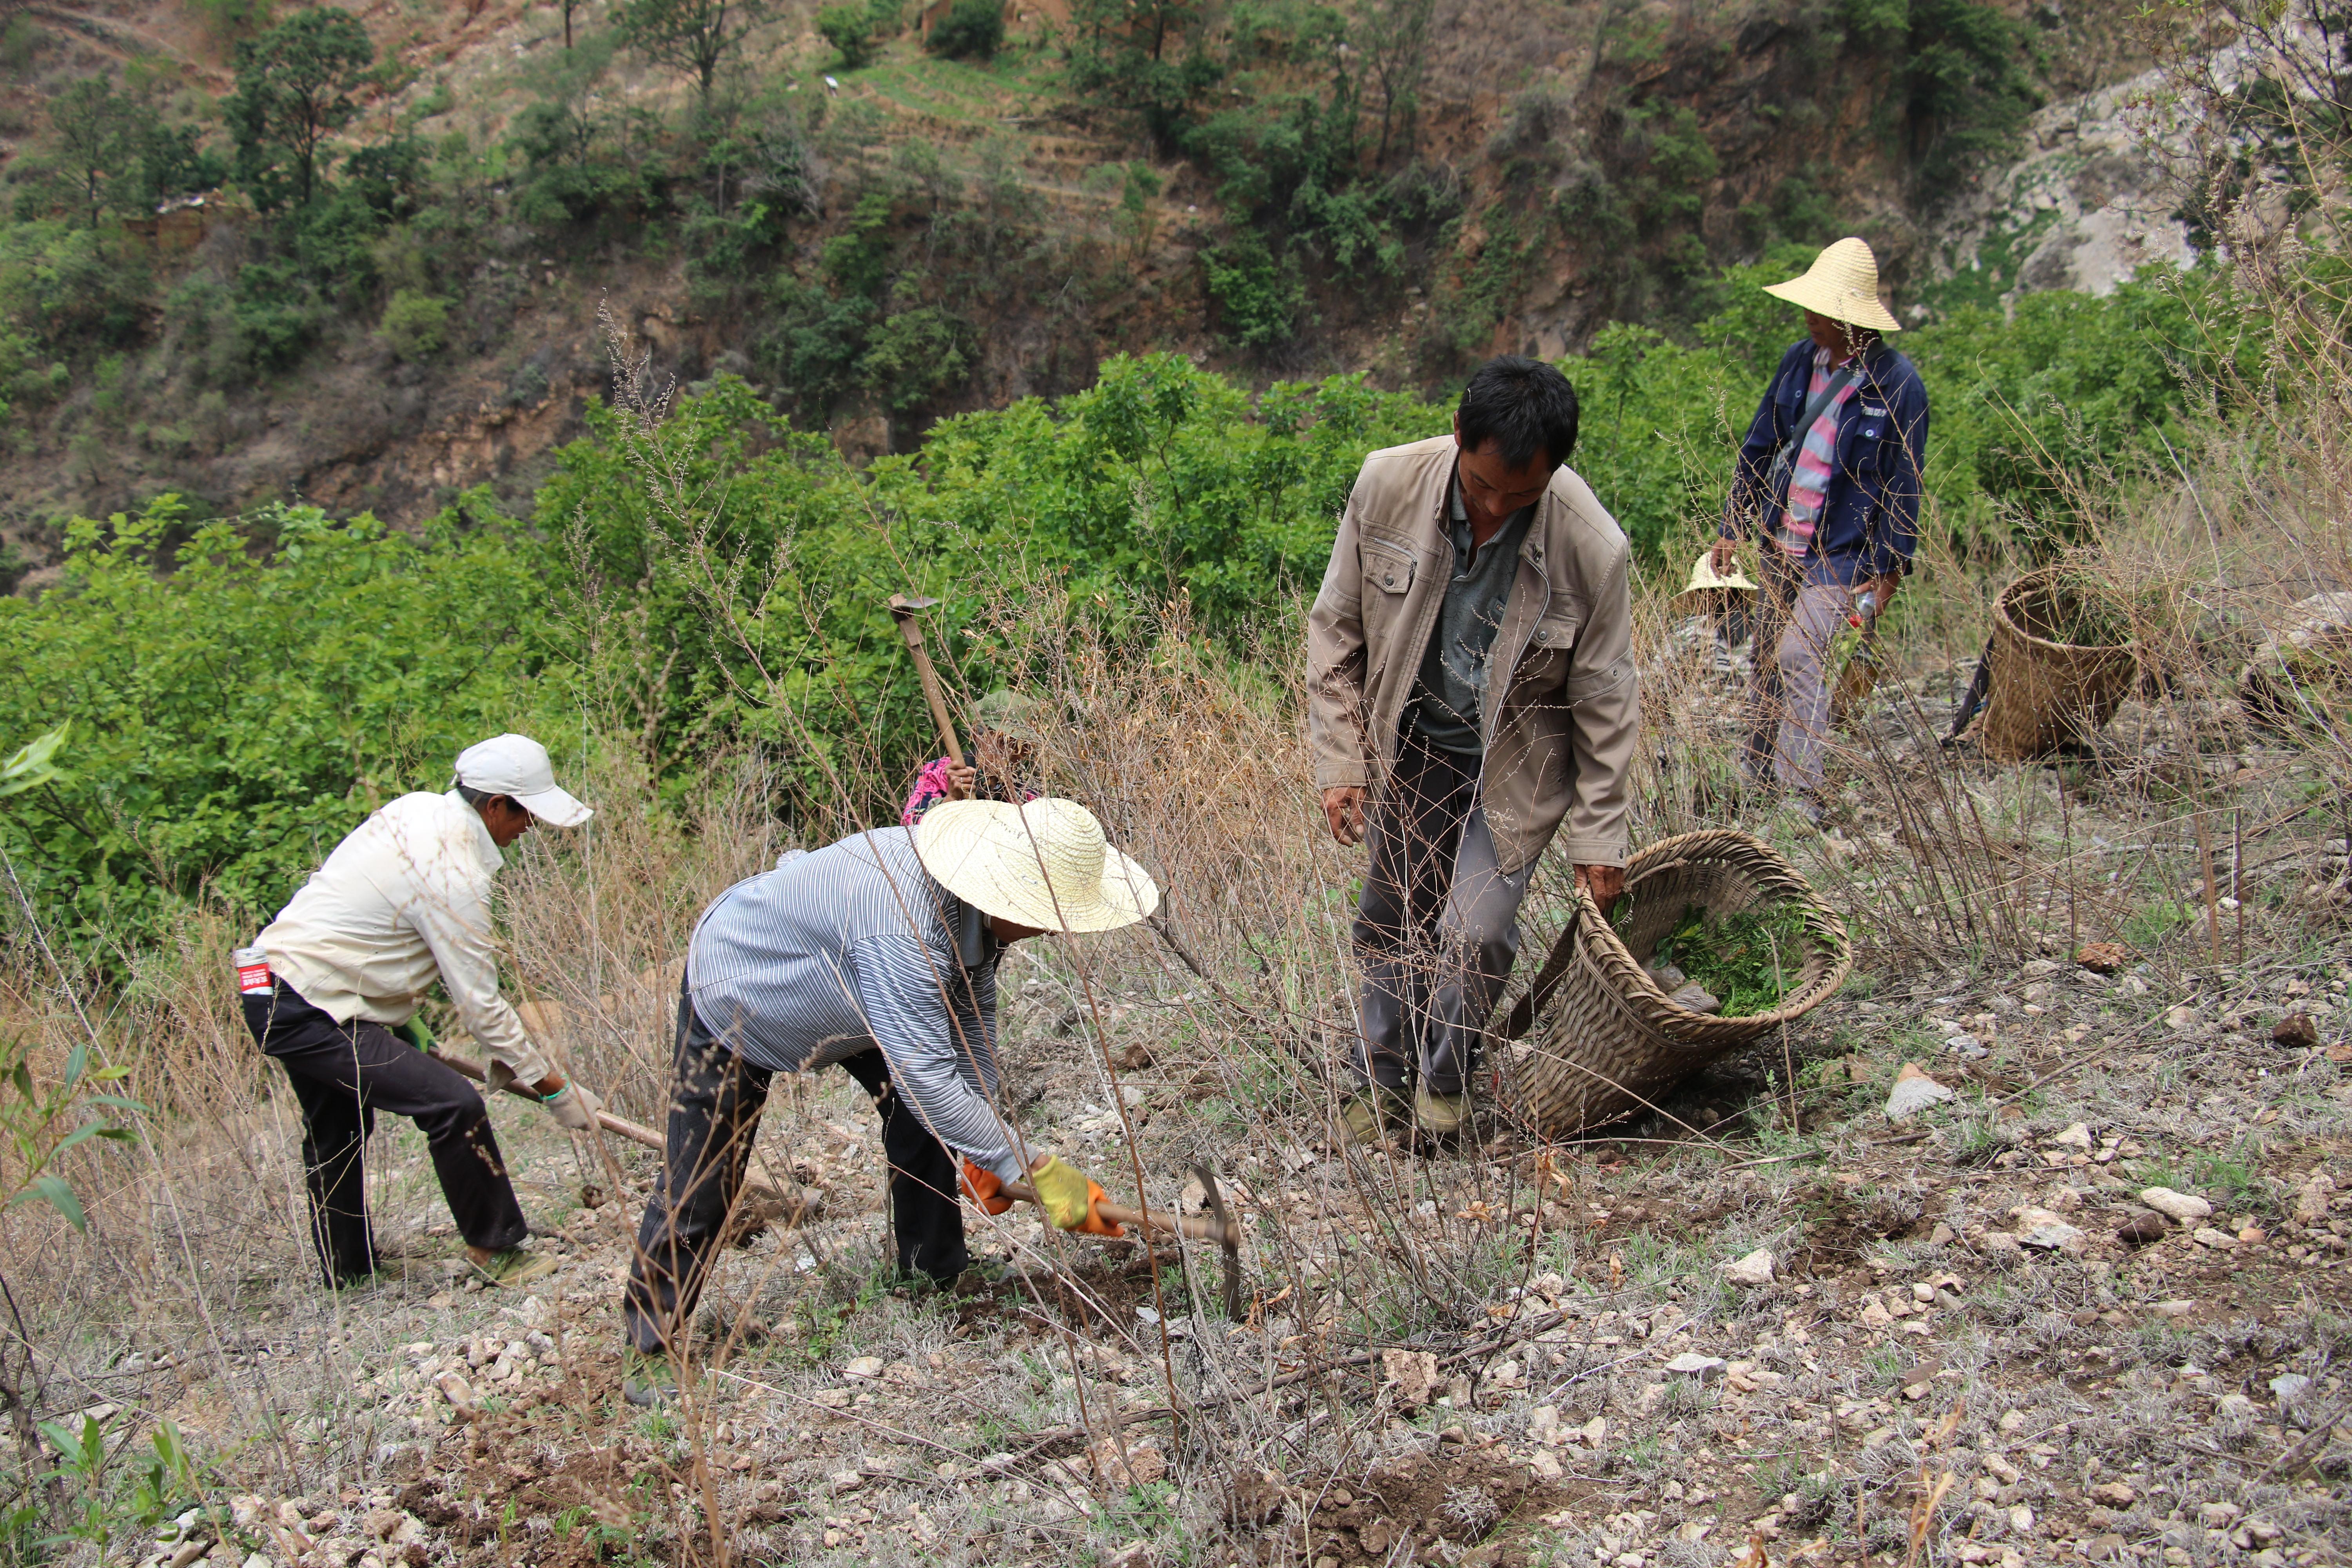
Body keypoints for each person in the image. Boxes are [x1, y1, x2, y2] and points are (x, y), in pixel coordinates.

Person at [621, 796, 1156, 1399]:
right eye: (1048, 915)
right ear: (1008, 893)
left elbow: (972, 1022)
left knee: (931, 1120)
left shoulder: (973, 907)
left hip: (855, 994)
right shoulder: (902, 925)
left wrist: (984, 1142)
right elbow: (929, 1077)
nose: (1053, 929)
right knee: (704, 1178)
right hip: (746, 986)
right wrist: (1027, 1164)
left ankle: (935, 1270)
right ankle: (651, 1342)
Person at [1306, 356, 1641, 1145]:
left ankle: (1446, 1083)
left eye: (1519, 496)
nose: (1495, 507)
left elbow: (1604, 698)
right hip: (1412, 743)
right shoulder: (1388, 484)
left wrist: (1601, 836)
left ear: (1556, 471)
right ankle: (1378, 1083)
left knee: (1476, 932)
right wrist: (1343, 762)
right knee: (1391, 922)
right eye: (1483, 485)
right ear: (1458, 435)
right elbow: (1336, 628)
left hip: (1516, 768)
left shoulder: (1593, 547)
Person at [240, 735, 603, 1289]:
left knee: (338, 1127)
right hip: (306, 1003)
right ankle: (495, 1249)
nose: (532, 827)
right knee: (452, 1105)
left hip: (275, 982)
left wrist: (399, 1021)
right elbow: (481, 1005)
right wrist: (552, 1087)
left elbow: (366, 920)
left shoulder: (416, 809)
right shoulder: (455, 873)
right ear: (495, 806)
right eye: (527, 813)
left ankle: (349, 1272)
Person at [1713, 237, 1928, 825]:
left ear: (1848, 318)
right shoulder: (1798, 362)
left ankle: (1802, 794)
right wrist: (1734, 523)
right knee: (1767, 660)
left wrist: (1890, 570)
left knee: (1799, 656)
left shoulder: (1898, 385)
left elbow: (1904, 483)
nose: (1808, 318)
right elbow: (1761, 442)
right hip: (1785, 536)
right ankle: (1755, 772)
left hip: (1845, 549)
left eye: (1820, 311)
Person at [901, 689, 1044, 826]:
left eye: (1021, 745)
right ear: (978, 735)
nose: (1011, 752)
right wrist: (952, 799)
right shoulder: (940, 772)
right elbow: (910, 825)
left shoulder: (1027, 794)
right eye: (1002, 741)